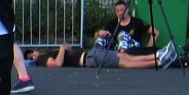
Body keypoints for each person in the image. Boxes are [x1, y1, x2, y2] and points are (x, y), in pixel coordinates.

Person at [28, 36, 177, 70]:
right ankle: (157, 62)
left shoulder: (46, 53)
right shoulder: (42, 60)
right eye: (30, 57)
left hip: (91, 54)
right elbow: (56, 64)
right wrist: (61, 49)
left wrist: (66, 49)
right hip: (89, 59)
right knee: (124, 62)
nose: (33, 55)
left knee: (125, 56)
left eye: (32, 53)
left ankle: (157, 56)